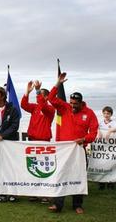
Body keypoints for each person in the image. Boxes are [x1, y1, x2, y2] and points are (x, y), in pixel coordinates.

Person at [48, 72, 98, 214]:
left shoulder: (89, 113)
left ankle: (77, 204)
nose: (72, 106)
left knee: (78, 177)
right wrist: (58, 83)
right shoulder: (64, 107)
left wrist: (84, 139)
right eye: (71, 103)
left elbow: (93, 132)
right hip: (64, 150)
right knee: (61, 175)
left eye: (75, 104)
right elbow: (51, 98)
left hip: (79, 150)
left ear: (81, 103)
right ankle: (58, 205)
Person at [21, 80, 55, 203]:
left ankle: (45, 194)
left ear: (46, 96)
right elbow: (23, 105)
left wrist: (37, 91)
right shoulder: (35, 107)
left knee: (44, 169)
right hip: (32, 140)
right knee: (33, 167)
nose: (38, 96)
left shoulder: (50, 109)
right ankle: (34, 193)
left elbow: (44, 106)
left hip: (44, 141)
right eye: (38, 94)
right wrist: (27, 92)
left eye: (40, 94)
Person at [97, 106, 116, 190]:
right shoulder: (101, 123)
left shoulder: (114, 123)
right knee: (102, 164)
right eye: (104, 113)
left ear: (111, 114)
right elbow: (96, 127)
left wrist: (110, 131)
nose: (106, 115)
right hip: (102, 148)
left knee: (111, 164)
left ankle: (110, 183)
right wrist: (99, 132)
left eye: (108, 113)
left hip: (111, 148)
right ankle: (101, 183)